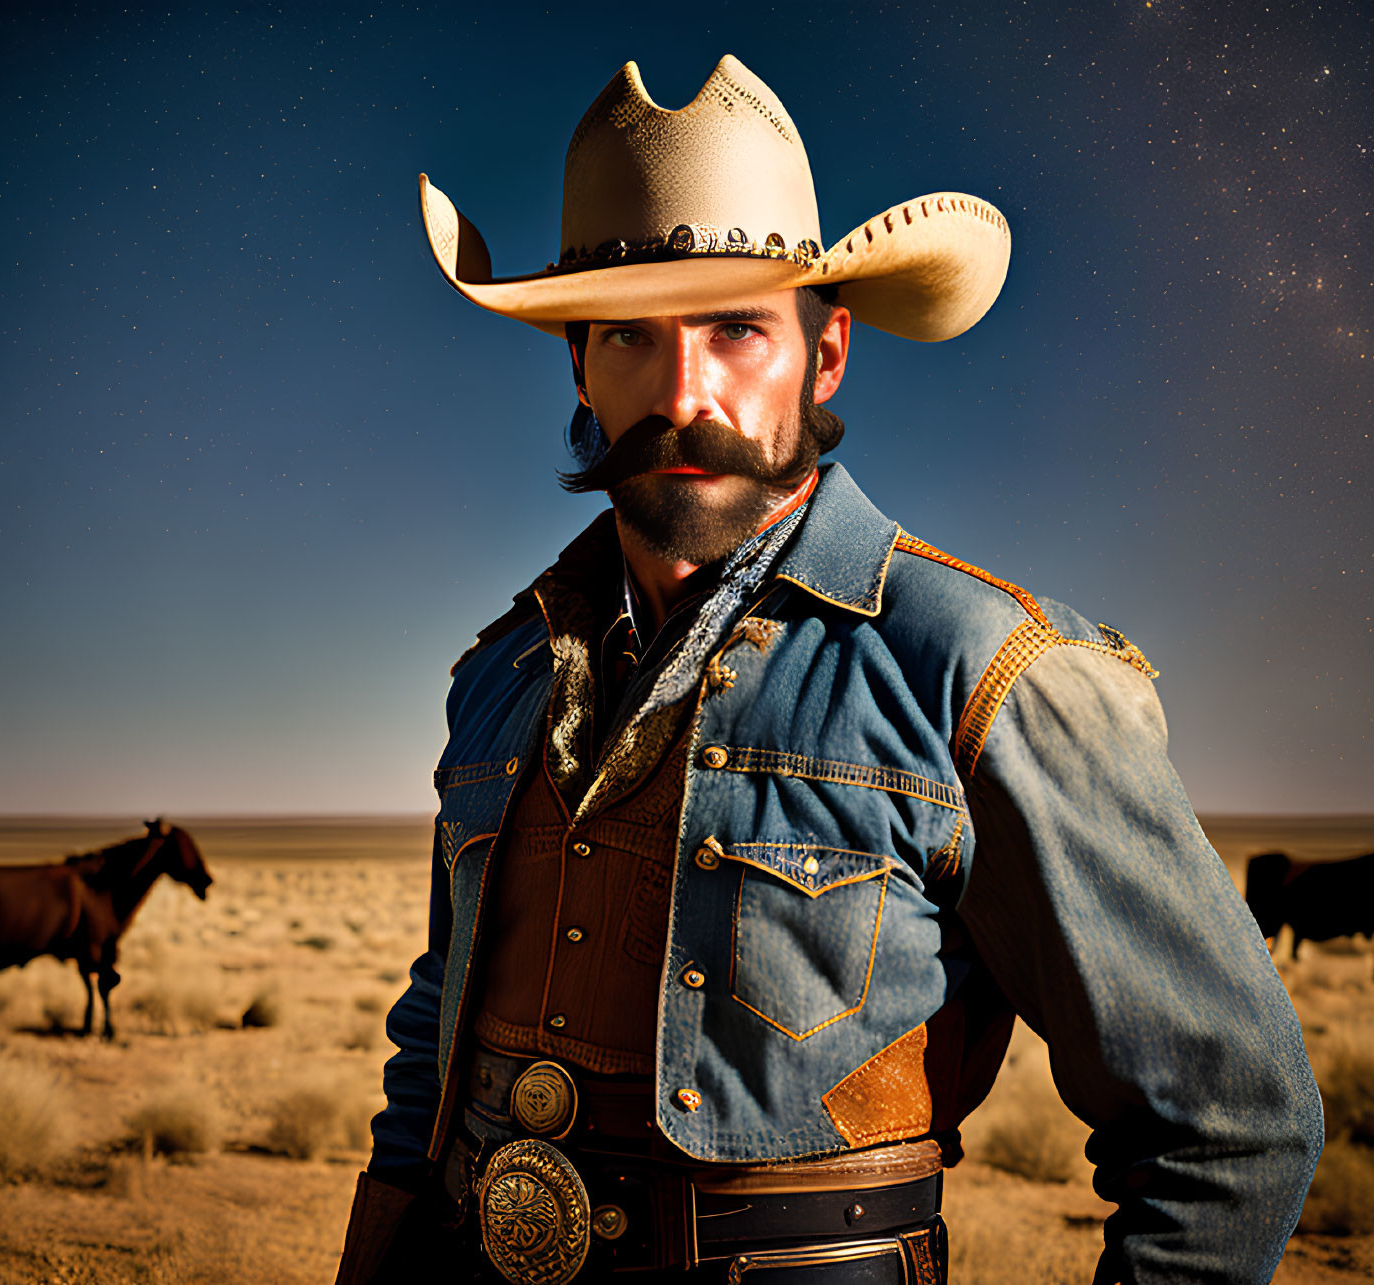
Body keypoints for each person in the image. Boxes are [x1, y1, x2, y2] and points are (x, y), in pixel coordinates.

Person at [336, 55, 1322, 1285]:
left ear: (828, 351)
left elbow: (1231, 1128)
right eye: (631, 337)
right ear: (577, 365)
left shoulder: (981, 668)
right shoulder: (498, 681)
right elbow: (436, 1045)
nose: (682, 389)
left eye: (739, 328)